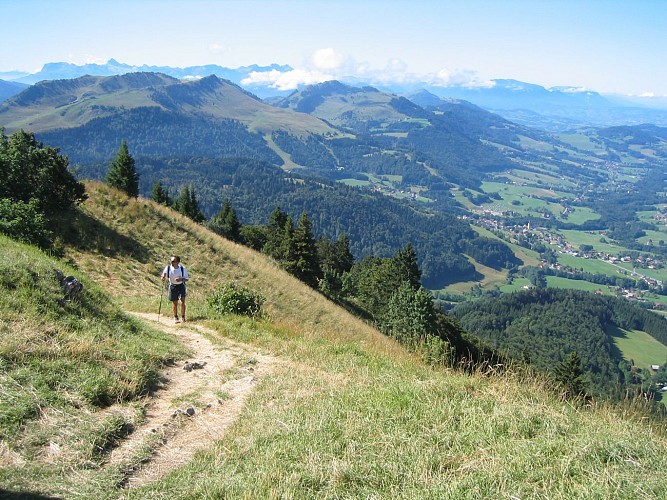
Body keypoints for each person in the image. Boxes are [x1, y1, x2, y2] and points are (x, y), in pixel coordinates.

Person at [161, 256, 189, 323]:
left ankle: (183, 317)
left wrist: (181, 279)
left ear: (178, 262)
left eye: (173, 261)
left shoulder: (182, 268)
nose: (171, 262)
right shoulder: (168, 268)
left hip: (181, 285)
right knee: (175, 303)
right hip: (173, 286)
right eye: (171, 261)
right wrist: (163, 277)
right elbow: (163, 274)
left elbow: (186, 279)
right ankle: (175, 317)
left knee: (182, 301)